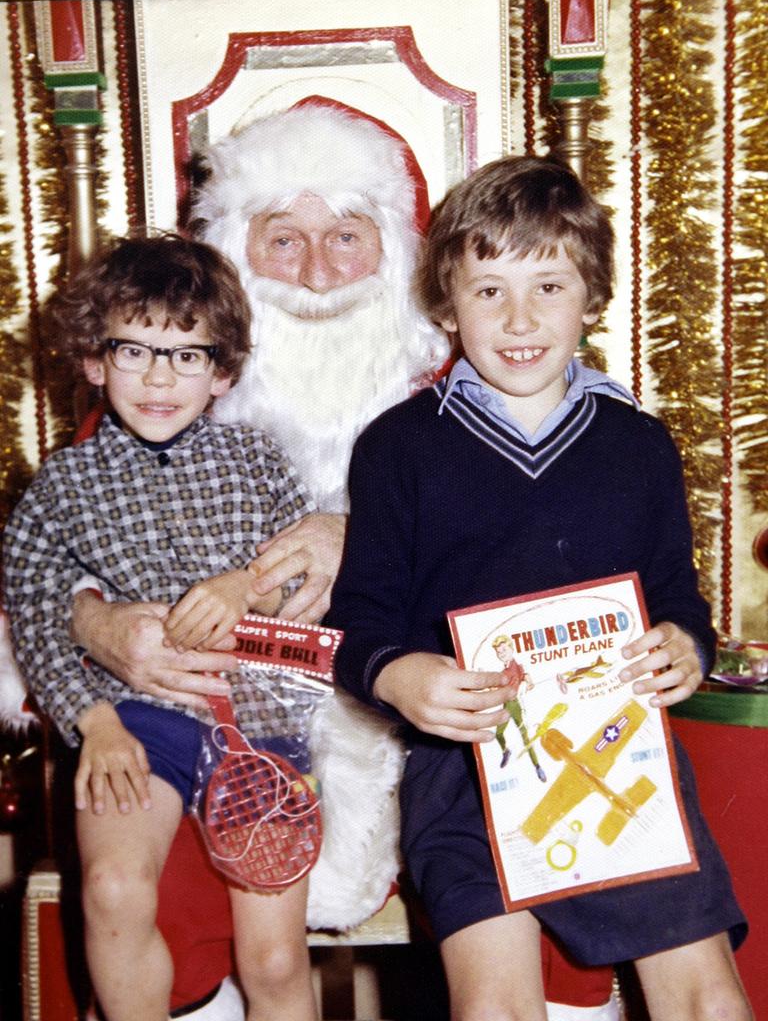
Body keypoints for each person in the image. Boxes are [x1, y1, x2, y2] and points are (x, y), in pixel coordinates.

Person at [62, 106, 620, 1019]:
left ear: (401, 257)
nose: (317, 276)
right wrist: (96, 621)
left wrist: (357, 533)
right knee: (156, 869)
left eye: (348, 239)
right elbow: (53, 550)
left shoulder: (476, 392)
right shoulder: (166, 390)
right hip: (222, 721)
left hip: (439, 716)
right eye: (282, 241)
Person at [325, 155, 753, 1020]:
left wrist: (684, 645)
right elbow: (357, 626)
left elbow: (677, 595)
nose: (519, 319)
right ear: (446, 300)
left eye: (549, 286)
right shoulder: (398, 448)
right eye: (488, 291)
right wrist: (401, 676)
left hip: (615, 748)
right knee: (496, 1008)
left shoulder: (637, 444)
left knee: (706, 997)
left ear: (591, 294)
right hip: (462, 766)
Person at [2, 233, 320, 1021]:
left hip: (259, 726)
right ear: (93, 360)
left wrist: (247, 586)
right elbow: (38, 608)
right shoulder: (64, 485)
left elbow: (304, 583)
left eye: (185, 356)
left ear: (222, 372)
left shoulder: (259, 461)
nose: (157, 377)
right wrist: (96, 721)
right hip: (135, 723)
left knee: (275, 958)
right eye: (134, 351)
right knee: (113, 886)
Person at [491, 635, 545, 779]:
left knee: (525, 737)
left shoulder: (511, 670)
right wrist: (529, 681)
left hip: (515, 706)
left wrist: (529, 682)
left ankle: (537, 766)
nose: (501, 653)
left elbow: (522, 675)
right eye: (498, 652)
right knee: (498, 734)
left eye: (504, 650)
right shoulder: (508, 669)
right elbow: (525, 675)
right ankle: (506, 751)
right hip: (506, 705)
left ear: (511, 649)